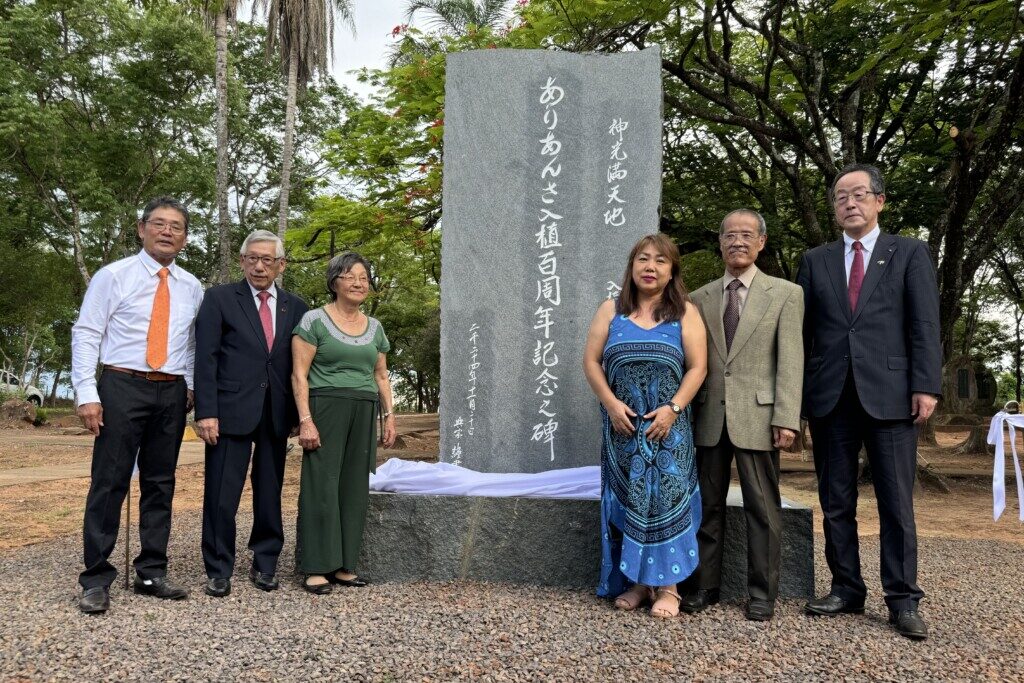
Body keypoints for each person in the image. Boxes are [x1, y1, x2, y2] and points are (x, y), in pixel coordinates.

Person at [797, 163, 941, 640]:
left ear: (880, 201)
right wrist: (797, 402)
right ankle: (846, 588)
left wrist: (926, 385)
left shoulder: (909, 252)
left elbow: (924, 324)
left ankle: (902, 599)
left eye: (859, 194)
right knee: (835, 500)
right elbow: (803, 335)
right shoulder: (814, 260)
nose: (850, 203)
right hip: (830, 395)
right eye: (841, 197)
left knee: (896, 502)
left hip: (892, 394)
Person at [71, 196, 204, 614]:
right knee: (109, 481)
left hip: (172, 392)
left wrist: (191, 387)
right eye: (159, 223)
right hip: (122, 385)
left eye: (176, 226)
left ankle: (151, 571)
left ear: (184, 238)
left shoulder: (192, 286)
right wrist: (86, 393)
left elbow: (192, 343)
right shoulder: (114, 276)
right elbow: (87, 332)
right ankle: (96, 577)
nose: (167, 231)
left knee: (160, 482)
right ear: (141, 229)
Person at [679, 210, 804, 622]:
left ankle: (763, 594)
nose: (738, 241)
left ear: (761, 242)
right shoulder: (698, 297)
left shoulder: (786, 293)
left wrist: (787, 417)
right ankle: (704, 586)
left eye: (747, 235)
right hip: (709, 416)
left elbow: (791, 361)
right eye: (730, 235)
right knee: (706, 506)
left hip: (760, 416)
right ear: (720, 243)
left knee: (763, 510)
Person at [583, 234, 708, 618]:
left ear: (672, 272)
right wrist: (610, 404)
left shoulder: (685, 312)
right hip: (622, 428)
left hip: (669, 431)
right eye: (643, 259)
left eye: (660, 261)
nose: (650, 267)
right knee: (631, 502)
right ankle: (637, 583)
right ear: (632, 266)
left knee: (668, 502)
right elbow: (591, 362)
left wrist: (673, 408)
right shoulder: (610, 310)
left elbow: (698, 367)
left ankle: (669, 588)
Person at [193, 230, 309, 597]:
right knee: (221, 493)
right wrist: (206, 412)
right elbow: (206, 358)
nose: (259, 266)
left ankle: (266, 561)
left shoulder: (298, 307)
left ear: (281, 265)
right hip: (229, 411)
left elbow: (299, 364)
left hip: (276, 412)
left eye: (267, 260)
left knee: (270, 491)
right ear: (242, 261)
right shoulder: (219, 299)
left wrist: (299, 413)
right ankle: (218, 567)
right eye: (252, 258)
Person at [291, 252, 397, 594]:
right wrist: (306, 420)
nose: (358, 283)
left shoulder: (376, 327)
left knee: (353, 487)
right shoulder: (313, 321)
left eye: (363, 277)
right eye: (350, 276)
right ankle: (317, 566)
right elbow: (299, 375)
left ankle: (344, 565)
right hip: (326, 407)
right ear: (334, 281)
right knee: (322, 485)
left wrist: (389, 416)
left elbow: (381, 375)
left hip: (364, 409)